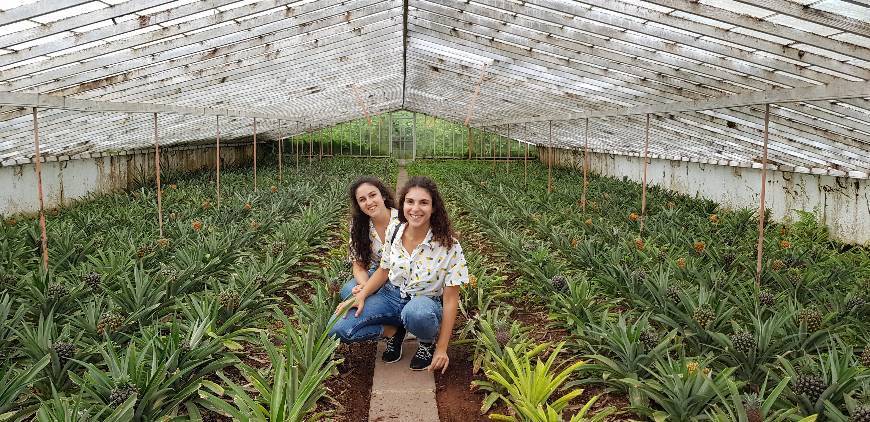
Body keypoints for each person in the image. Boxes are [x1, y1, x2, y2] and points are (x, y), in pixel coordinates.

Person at [329, 176, 469, 372]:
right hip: (391, 295)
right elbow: (384, 270)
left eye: (424, 202)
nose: (415, 208)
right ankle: (393, 331)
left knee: (417, 312)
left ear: (434, 207)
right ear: (402, 205)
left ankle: (427, 343)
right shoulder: (395, 231)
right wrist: (361, 295)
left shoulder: (449, 246)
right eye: (410, 202)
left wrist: (442, 348)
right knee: (337, 329)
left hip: (423, 300)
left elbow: (452, 299)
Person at [340, 176, 400, 301]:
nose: (369, 202)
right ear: (359, 205)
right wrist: (364, 285)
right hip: (376, 272)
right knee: (347, 291)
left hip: (403, 276)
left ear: (383, 196)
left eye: (372, 195)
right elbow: (358, 264)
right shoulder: (358, 225)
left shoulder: (402, 220)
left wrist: (367, 291)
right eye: (362, 199)